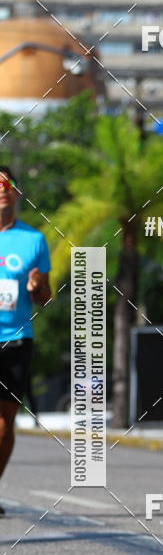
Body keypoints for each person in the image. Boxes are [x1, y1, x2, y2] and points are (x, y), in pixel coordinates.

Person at [0, 167, 51, 513]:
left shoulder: (33, 240)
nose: (3, 189)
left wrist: (37, 287)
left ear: (17, 193)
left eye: (9, 184)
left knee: (5, 424)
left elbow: (44, 297)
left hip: (16, 339)